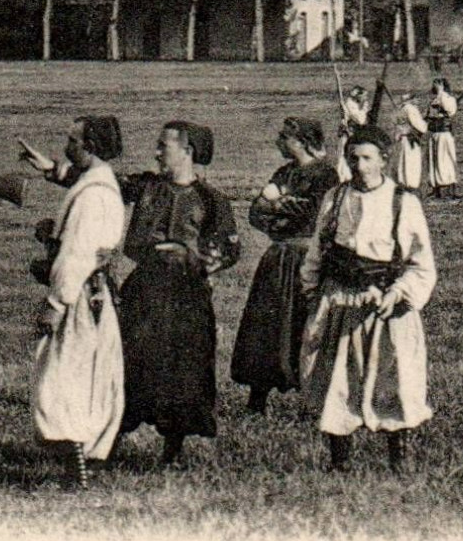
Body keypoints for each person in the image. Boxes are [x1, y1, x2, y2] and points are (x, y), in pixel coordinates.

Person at [297, 124, 436, 473]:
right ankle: (339, 460)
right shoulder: (336, 197)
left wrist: (399, 293)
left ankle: (398, 457)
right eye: (353, 157)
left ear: (384, 161)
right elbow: (317, 249)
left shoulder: (402, 202)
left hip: (384, 303)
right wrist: (312, 291)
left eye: (367, 158)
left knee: (393, 375)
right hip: (340, 298)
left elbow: (421, 262)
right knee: (336, 378)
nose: (359, 165)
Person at [115, 122, 240, 467]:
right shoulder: (145, 188)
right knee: (128, 361)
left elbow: (229, 247)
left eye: (163, 147)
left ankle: (172, 451)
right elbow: (100, 183)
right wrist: (53, 170)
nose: (156, 153)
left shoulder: (212, 200)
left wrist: (197, 259)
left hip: (187, 296)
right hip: (144, 290)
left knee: (182, 370)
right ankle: (109, 440)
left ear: (187, 152)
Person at [20, 116, 128, 489]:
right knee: (88, 378)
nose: (68, 146)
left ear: (90, 146)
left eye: (72, 140)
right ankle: (85, 463)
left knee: (62, 380)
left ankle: (77, 468)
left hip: (80, 296)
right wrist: (50, 169)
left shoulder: (94, 195)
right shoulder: (99, 182)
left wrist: (55, 301)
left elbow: (77, 255)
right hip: (95, 295)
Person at [231, 116, 340, 414]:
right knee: (266, 327)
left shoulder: (325, 176)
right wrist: (283, 207)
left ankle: (312, 400)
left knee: (308, 326)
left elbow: (315, 215)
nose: (279, 141)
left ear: (302, 141)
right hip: (278, 258)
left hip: (308, 258)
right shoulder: (283, 172)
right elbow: (256, 212)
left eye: (285, 137)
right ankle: (257, 398)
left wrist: (278, 205)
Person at [425, 78, 459, 198]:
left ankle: (446, 188)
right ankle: (436, 188)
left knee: (444, 160)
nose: (434, 87)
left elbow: (449, 110)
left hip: (444, 135)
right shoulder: (434, 100)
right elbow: (428, 116)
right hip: (434, 133)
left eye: (437, 85)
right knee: (433, 161)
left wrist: (441, 92)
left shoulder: (449, 99)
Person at [391, 91, 427, 189]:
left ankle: (401, 182)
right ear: (411, 99)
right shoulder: (411, 109)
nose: (418, 101)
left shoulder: (399, 109)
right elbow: (419, 125)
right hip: (409, 138)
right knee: (410, 161)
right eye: (416, 99)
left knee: (401, 161)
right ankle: (410, 184)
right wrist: (425, 124)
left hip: (400, 137)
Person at [337, 85, 371, 182]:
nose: (365, 99)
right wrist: (364, 109)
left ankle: (348, 176)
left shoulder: (353, 104)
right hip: (348, 135)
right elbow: (360, 120)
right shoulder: (350, 105)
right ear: (358, 95)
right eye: (364, 96)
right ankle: (344, 177)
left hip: (351, 134)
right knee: (345, 155)